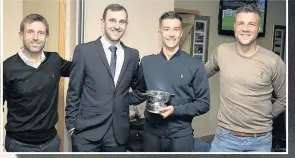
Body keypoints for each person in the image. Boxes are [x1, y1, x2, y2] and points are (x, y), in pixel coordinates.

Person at [206, 5, 286, 152]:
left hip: (260, 141)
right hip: (225, 138)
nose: (245, 28)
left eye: (251, 24)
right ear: (234, 26)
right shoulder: (222, 51)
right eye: (241, 23)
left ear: (258, 28)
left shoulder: (273, 61)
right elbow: (201, 74)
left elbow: (286, 97)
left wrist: (268, 115)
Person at [65, 4, 145, 152]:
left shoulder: (132, 55)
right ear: (103, 22)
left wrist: (122, 99)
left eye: (122, 22)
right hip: (86, 134)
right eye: (112, 20)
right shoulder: (84, 51)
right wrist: (72, 126)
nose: (117, 26)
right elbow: (74, 91)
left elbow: (140, 90)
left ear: (126, 25)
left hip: (118, 135)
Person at [136, 11, 210, 152]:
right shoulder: (147, 62)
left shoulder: (195, 65)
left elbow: (204, 104)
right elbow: (140, 92)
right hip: (151, 134)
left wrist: (176, 110)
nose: (171, 34)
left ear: (181, 33)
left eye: (176, 29)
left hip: (181, 136)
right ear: (160, 33)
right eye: (166, 29)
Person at [3, 14, 72, 152]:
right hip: (19, 145)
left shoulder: (55, 60)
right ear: (21, 35)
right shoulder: (7, 67)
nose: (35, 37)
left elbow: (80, 68)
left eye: (40, 33)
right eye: (30, 32)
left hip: (51, 143)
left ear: (46, 37)